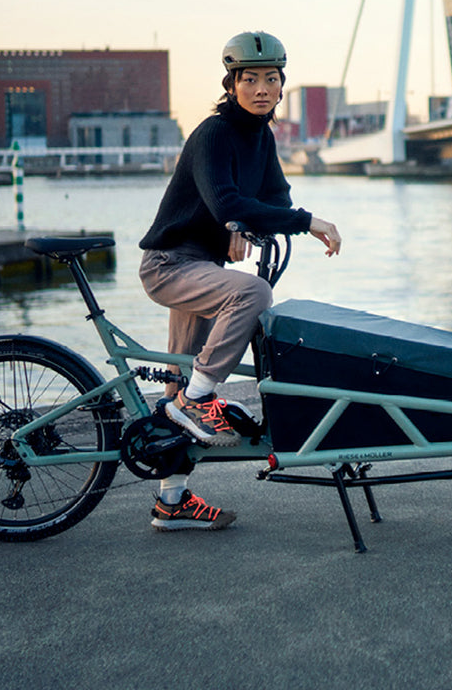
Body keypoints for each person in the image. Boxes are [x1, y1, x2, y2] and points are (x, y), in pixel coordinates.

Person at [137, 31, 342, 531]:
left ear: (281, 85)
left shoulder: (262, 137)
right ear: (231, 84)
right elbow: (225, 202)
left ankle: (172, 502)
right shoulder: (213, 134)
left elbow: (274, 200)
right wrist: (306, 222)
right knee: (254, 292)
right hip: (170, 265)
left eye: (271, 78)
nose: (261, 88)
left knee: (174, 392)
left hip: (202, 269)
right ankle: (201, 397)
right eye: (249, 79)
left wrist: (250, 226)